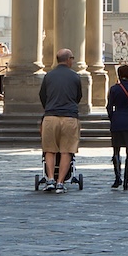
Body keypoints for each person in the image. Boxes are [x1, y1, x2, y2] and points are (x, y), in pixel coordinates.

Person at [39, 48, 83, 194]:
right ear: (69, 59)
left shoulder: (48, 76)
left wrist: (50, 107)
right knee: (66, 151)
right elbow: (78, 97)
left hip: (50, 116)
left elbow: (42, 96)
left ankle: (50, 179)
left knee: (49, 150)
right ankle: (60, 182)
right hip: (69, 117)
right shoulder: (75, 76)